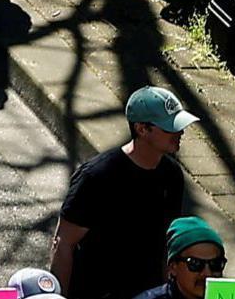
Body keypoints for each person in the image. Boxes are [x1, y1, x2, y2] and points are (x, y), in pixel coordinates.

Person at [53, 88, 199, 299]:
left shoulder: (172, 175)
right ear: (142, 129)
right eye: (170, 128)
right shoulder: (97, 177)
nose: (181, 132)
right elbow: (64, 244)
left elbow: (167, 245)